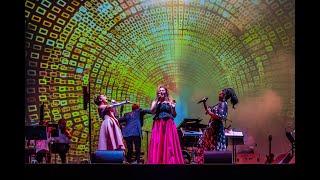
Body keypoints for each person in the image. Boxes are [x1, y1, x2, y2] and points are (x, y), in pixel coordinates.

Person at [147, 85, 184, 164]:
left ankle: (170, 161)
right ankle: (158, 161)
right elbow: (152, 111)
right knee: (158, 142)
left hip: (168, 124)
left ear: (166, 92)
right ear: (158, 92)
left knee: (169, 143)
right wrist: (158, 100)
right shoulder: (155, 101)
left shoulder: (170, 101)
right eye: (160, 90)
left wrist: (173, 108)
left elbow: (174, 115)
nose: (161, 92)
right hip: (158, 124)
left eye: (163, 90)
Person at [199, 88, 238, 153]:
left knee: (214, 149)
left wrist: (210, 113)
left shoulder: (223, 104)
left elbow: (220, 117)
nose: (219, 94)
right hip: (213, 128)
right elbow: (209, 111)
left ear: (224, 96)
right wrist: (204, 103)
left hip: (216, 130)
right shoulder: (219, 104)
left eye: (221, 93)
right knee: (210, 150)